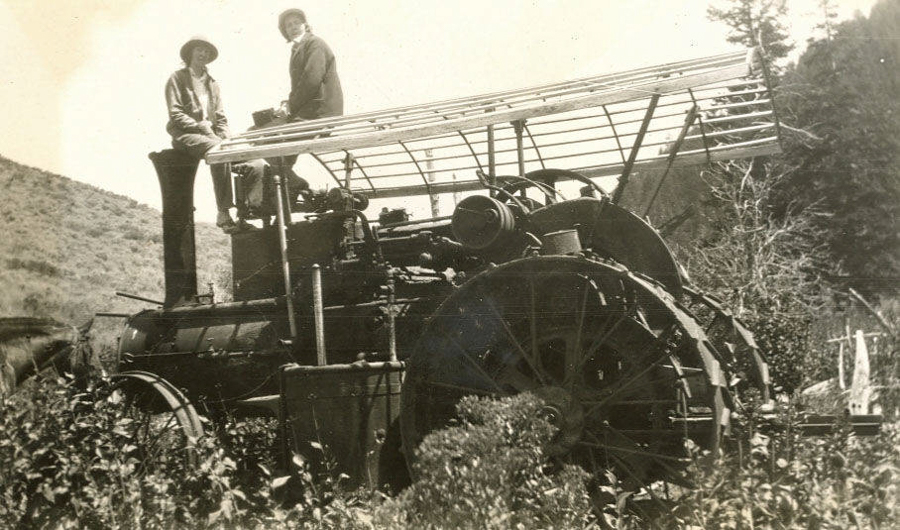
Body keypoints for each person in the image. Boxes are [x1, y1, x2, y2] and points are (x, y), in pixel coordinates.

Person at [165, 35, 266, 232]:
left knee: (256, 162)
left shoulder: (212, 83)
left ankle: (248, 213)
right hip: (185, 134)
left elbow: (220, 117)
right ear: (190, 53)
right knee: (219, 151)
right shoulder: (177, 78)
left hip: (212, 136)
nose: (203, 54)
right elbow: (175, 113)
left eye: (206, 51)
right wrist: (200, 126)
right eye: (199, 49)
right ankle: (223, 212)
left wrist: (228, 138)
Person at [267, 9, 344, 198]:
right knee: (264, 137)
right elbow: (302, 84)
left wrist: (290, 106)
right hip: (308, 109)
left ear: (305, 24)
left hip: (319, 111)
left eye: (296, 23)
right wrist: (287, 104)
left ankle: (298, 188)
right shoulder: (298, 48)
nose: (293, 27)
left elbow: (312, 79)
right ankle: (294, 188)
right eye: (288, 25)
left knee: (271, 143)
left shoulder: (314, 43)